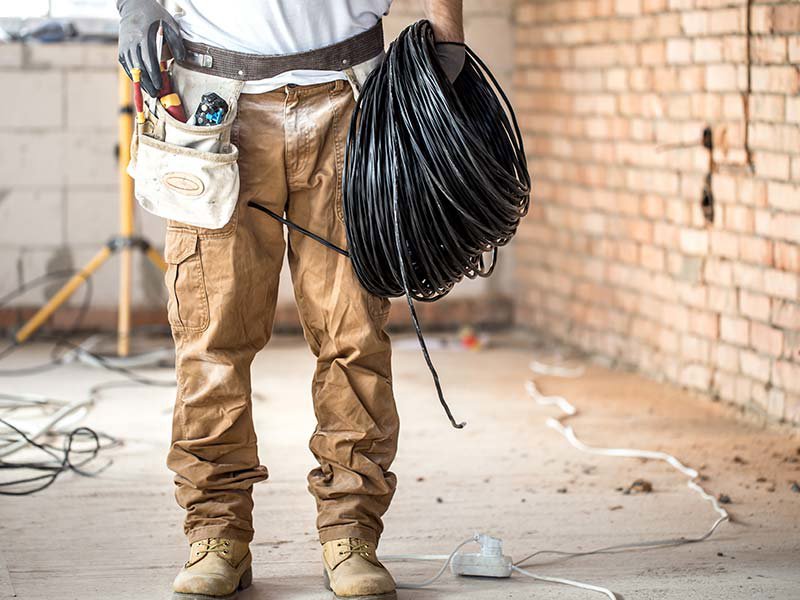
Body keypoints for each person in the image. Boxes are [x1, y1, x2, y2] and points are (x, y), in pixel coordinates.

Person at [116, 1, 465, 598]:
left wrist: (449, 33)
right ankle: (216, 532)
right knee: (211, 337)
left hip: (352, 100)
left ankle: (350, 532)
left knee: (352, 333)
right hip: (213, 103)